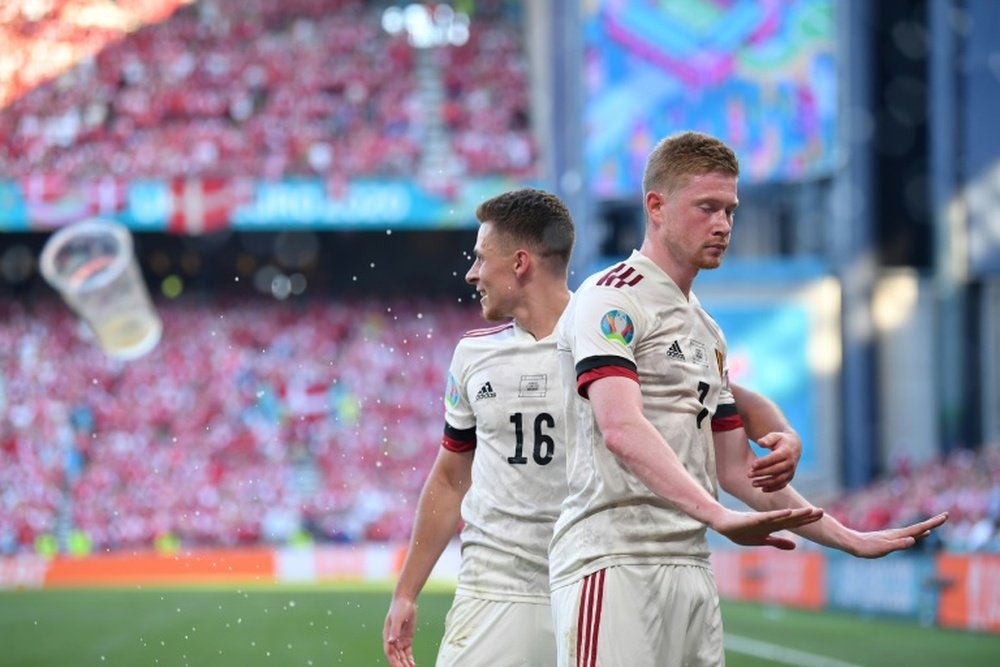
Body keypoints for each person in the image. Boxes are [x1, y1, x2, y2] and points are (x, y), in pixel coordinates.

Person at [549, 131, 949, 667]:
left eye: (730, 210)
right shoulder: (610, 296)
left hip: (690, 564)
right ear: (656, 206)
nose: (722, 225)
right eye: (707, 208)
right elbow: (620, 428)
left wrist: (847, 537)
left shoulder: (706, 330)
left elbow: (739, 473)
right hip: (617, 560)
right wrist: (718, 514)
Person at [383, 188, 808, 667]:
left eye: (481, 258)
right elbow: (449, 478)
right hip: (495, 587)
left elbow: (723, 391)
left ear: (520, 262)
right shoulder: (473, 355)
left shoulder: (608, 324)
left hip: (594, 576)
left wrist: (784, 432)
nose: (472, 273)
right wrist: (406, 593)